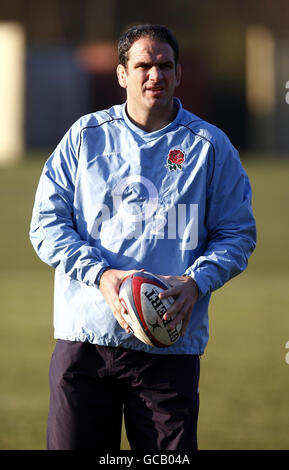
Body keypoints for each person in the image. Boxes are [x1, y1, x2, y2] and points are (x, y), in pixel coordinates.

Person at [29, 24, 256, 451]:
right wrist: (102, 276)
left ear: (179, 73)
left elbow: (238, 233)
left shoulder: (210, 146)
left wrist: (195, 283)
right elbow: (45, 225)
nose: (155, 75)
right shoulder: (84, 137)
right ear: (121, 74)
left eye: (165, 65)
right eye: (143, 65)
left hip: (169, 346)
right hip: (87, 341)